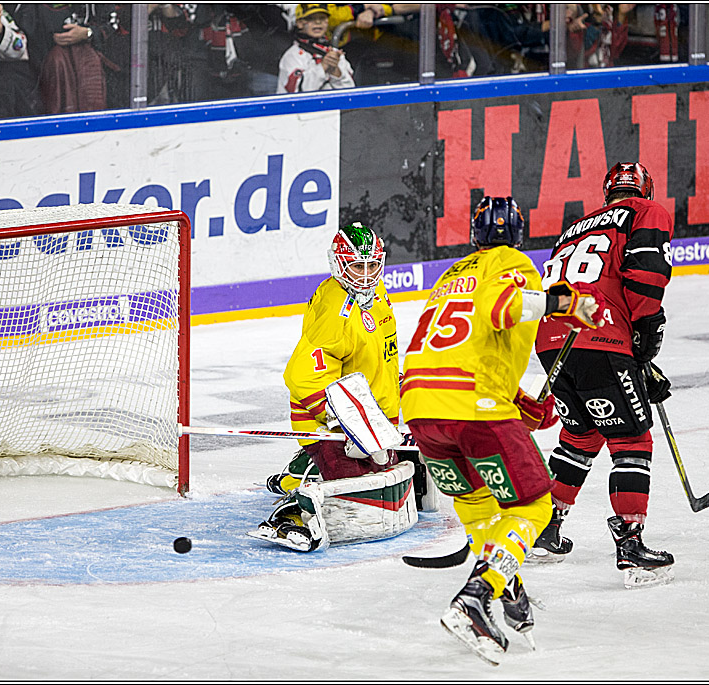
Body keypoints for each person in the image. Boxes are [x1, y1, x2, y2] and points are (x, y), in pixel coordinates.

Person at [401, 196, 604, 663]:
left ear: (473, 235)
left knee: (479, 506)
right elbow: (502, 308)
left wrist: (513, 401)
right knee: (535, 507)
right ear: (517, 233)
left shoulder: (450, 276)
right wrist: (564, 302)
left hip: (423, 409)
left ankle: (507, 590)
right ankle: (477, 596)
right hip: (474, 405)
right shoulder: (513, 262)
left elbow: (459, 346)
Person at [530, 162, 676, 590]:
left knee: (581, 436)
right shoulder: (646, 212)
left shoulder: (572, 228)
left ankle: (545, 528)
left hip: (552, 338)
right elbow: (645, 276)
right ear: (643, 190)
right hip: (601, 336)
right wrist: (646, 331)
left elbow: (565, 287)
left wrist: (636, 360)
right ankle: (631, 545)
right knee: (632, 439)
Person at [252, 221, 410, 552]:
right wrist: (348, 425)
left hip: (371, 421)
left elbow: (381, 355)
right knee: (355, 492)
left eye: (372, 265)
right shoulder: (335, 313)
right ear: (339, 264)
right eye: (356, 266)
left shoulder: (376, 294)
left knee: (385, 471)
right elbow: (302, 376)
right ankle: (294, 510)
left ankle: (302, 471)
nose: (365, 275)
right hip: (334, 423)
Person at [277, 3, 354, 94]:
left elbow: (350, 94)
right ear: (300, 23)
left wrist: (335, 71)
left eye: (322, 18)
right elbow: (297, 95)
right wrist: (323, 66)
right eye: (311, 18)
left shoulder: (334, 54)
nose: (318, 22)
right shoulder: (292, 56)